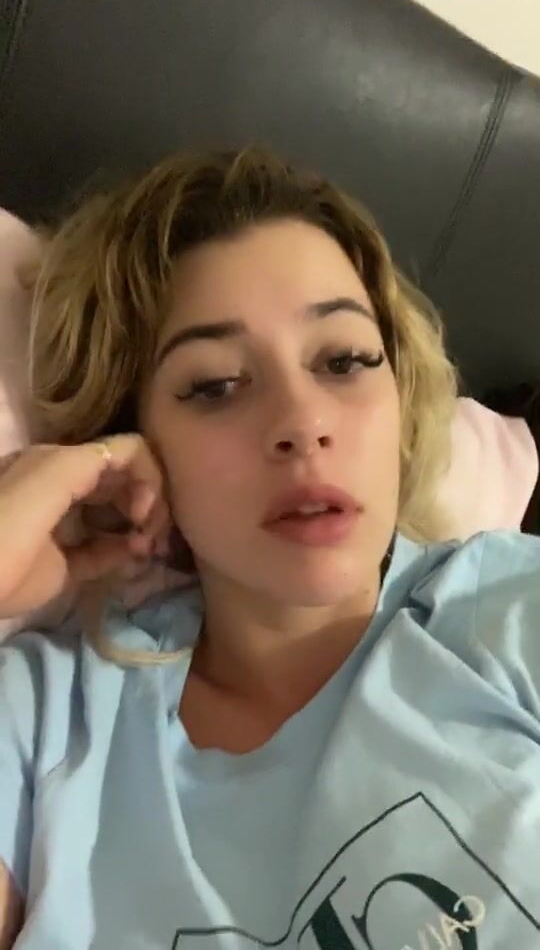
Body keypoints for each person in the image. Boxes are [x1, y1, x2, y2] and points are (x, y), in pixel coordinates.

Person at [0, 145, 539, 950]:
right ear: (134, 436)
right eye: (216, 385)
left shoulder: (510, 611)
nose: (302, 421)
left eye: (345, 361)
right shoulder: (47, 725)